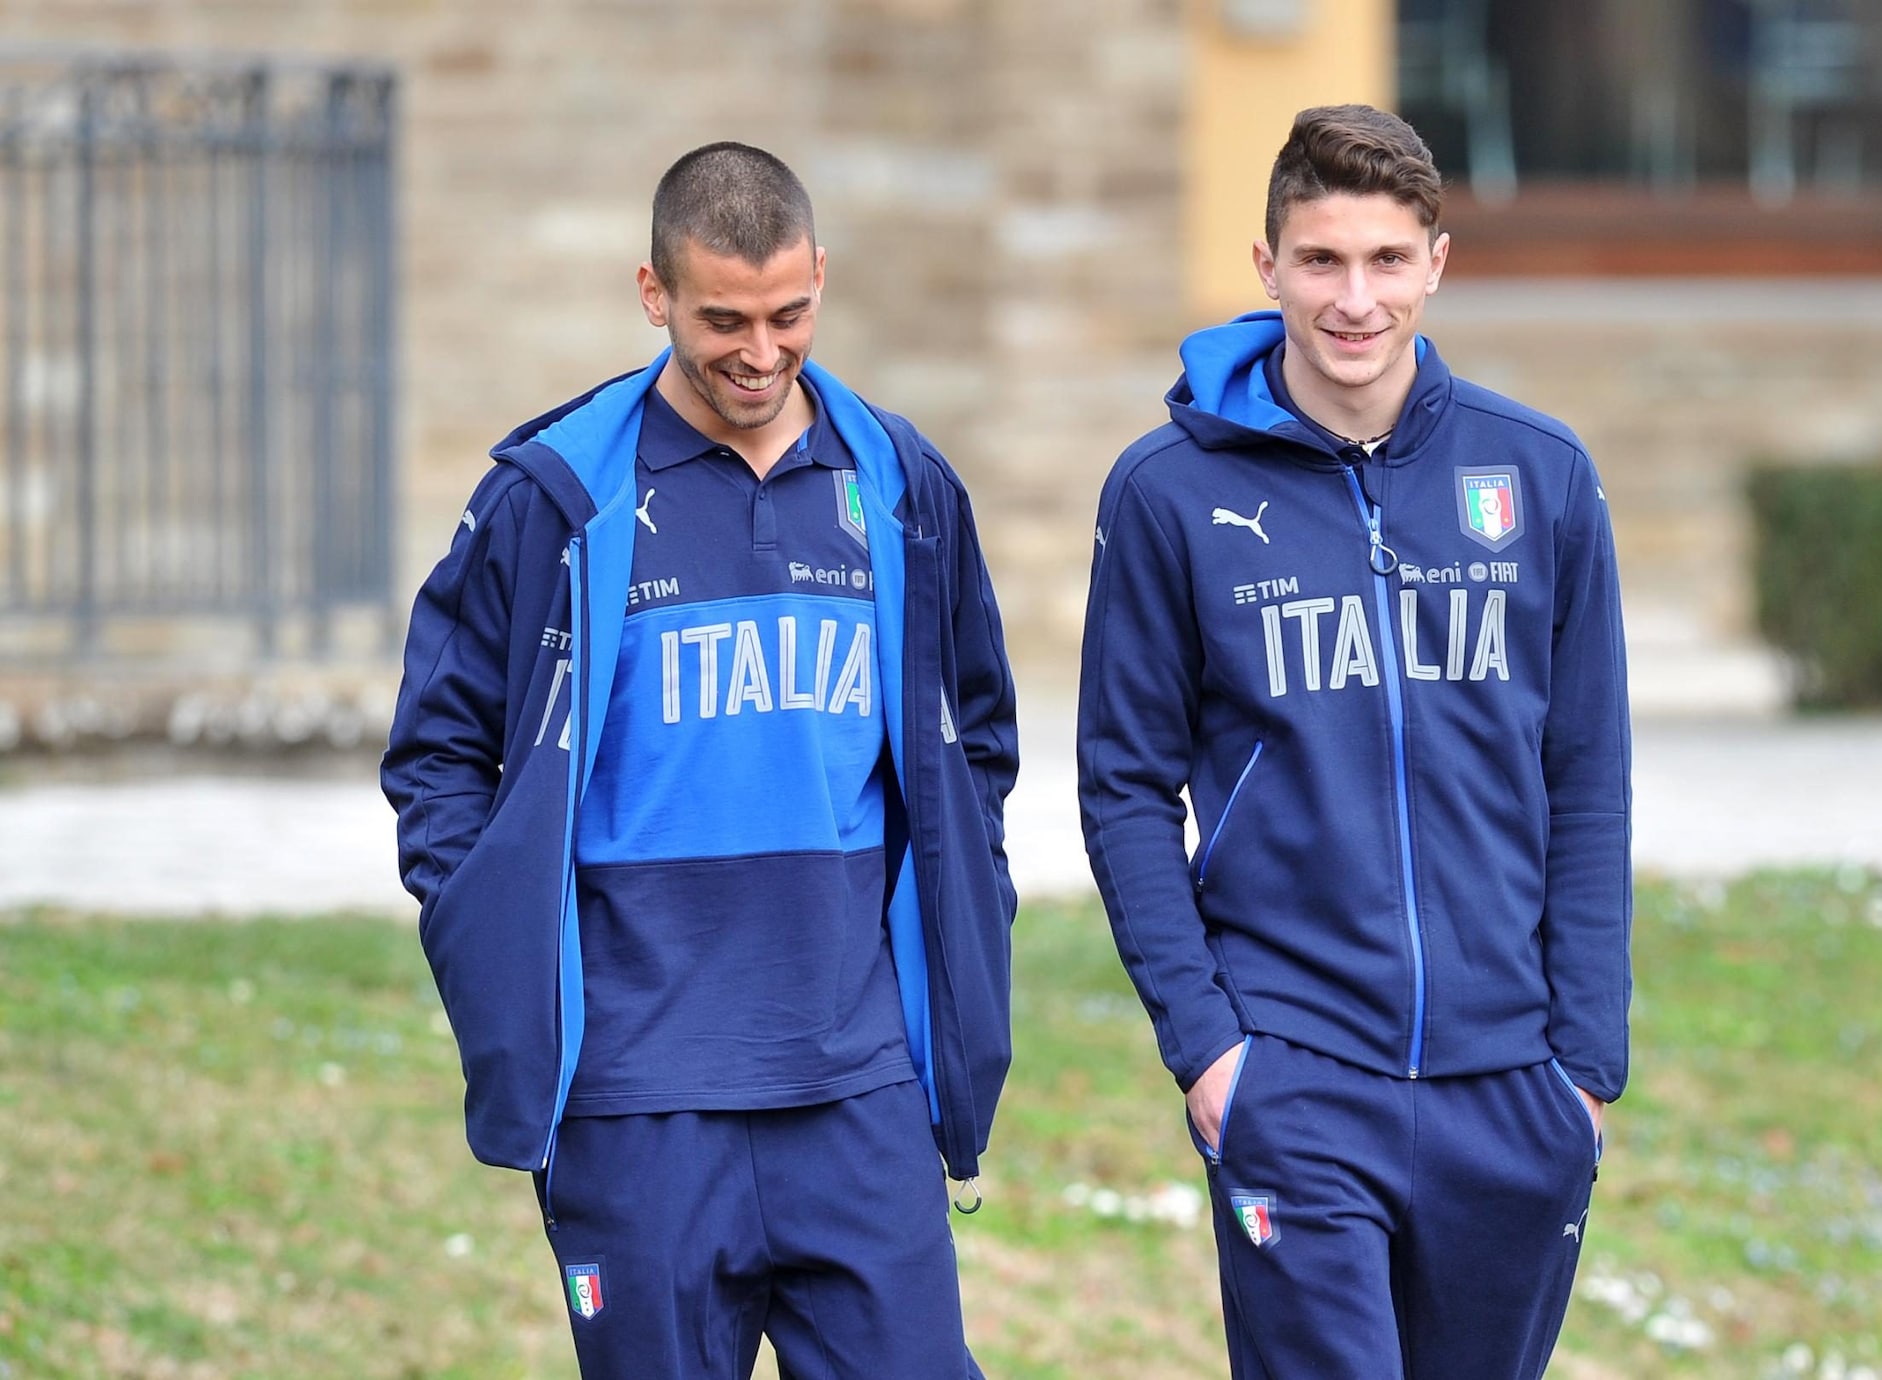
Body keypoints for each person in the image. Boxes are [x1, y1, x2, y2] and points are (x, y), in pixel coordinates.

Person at [382, 141, 1018, 1380]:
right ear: (651, 292)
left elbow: (972, 739)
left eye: (789, 314)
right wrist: (489, 928)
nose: (760, 351)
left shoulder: (902, 485)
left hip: (859, 1091)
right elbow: (439, 750)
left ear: (821, 278)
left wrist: (958, 904)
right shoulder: (554, 496)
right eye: (722, 318)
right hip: (631, 1103)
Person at [1077, 104, 1631, 1378]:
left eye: (1385, 261)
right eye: (1319, 260)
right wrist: (1211, 1051)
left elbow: (1587, 776)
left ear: (1436, 260)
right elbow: (1119, 787)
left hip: (1514, 1088)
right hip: (1296, 1071)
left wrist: (1582, 1067)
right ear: (1265, 265)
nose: (1353, 299)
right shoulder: (1168, 492)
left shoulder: (1538, 474)